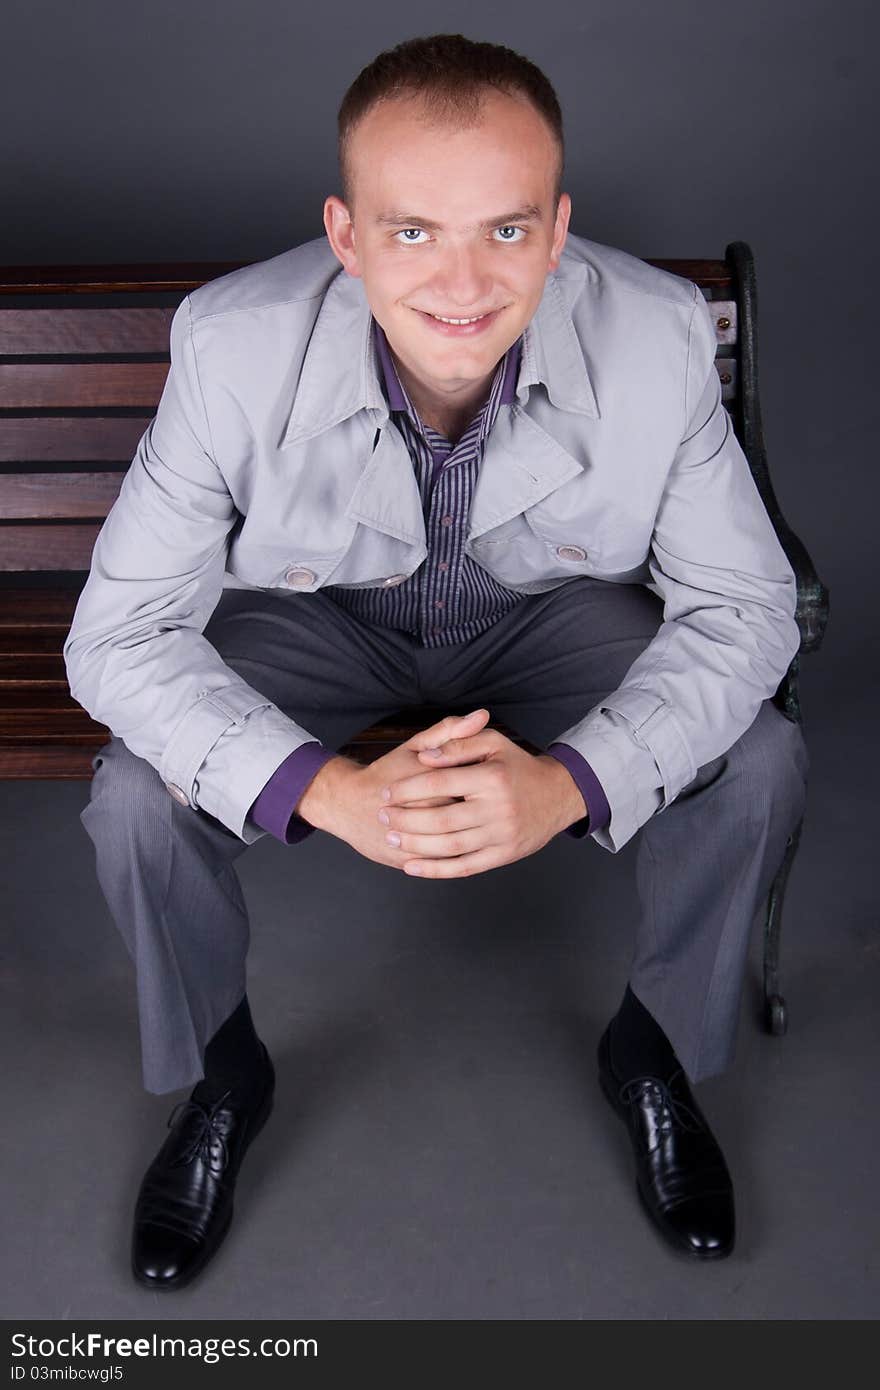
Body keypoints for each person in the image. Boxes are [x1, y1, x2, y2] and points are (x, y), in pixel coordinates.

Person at [65, 32, 809, 1290]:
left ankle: (655, 1050)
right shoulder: (229, 344)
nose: (462, 280)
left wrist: (570, 782)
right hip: (322, 624)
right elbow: (117, 636)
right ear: (346, 234)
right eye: (412, 233)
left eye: (506, 232)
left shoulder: (662, 332)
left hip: (544, 618)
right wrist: (326, 789)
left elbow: (745, 606)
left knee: (763, 759)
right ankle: (219, 1071)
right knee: (136, 797)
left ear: (558, 227)